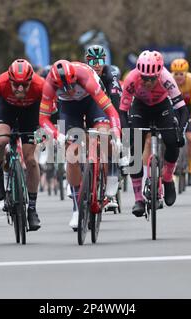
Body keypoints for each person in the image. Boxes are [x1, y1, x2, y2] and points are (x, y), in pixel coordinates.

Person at [39, 59, 121, 229]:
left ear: (74, 78)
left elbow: (111, 111)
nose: (68, 90)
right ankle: (77, 209)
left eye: (70, 85)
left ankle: (112, 172)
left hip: (92, 102)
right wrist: (57, 135)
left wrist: (117, 135)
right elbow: (43, 119)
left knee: (104, 136)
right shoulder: (49, 84)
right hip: (70, 109)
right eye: (63, 88)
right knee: (71, 153)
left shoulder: (86, 77)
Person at [0, 59, 43, 231]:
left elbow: (54, 114)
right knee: (0, 141)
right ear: (10, 81)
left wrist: (44, 135)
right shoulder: (0, 82)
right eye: (16, 85)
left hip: (31, 113)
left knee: (31, 160)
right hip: (7, 110)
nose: (20, 89)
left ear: (31, 81)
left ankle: (32, 209)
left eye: (24, 85)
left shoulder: (40, 85)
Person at [120, 50, 188, 217]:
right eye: (144, 78)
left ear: (158, 74)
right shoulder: (131, 79)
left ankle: (167, 177)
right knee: (135, 149)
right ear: (139, 74)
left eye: (152, 78)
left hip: (161, 107)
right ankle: (138, 199)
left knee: (172, 140)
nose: (148, 82)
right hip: (140, 107)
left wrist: (180, 130)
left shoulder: (166, 78)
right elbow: (122, 111)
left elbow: (182, 109)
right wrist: (126, 132)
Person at [84, 44, 124, 210]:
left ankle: (112, 183)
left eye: (100, 60)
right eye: (93, 61)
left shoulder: (111, 73)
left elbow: (115, 103)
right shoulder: (83, 74)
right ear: (87, 61)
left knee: (108, 141)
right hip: (88, 108)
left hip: (108, 107)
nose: (97, 64)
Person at [170, 58, 191, 186]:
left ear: (186, 73)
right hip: (174, 107)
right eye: (176, 74)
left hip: (188, 108)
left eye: (181, 73)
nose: (178, 76)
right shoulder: (169, 80)